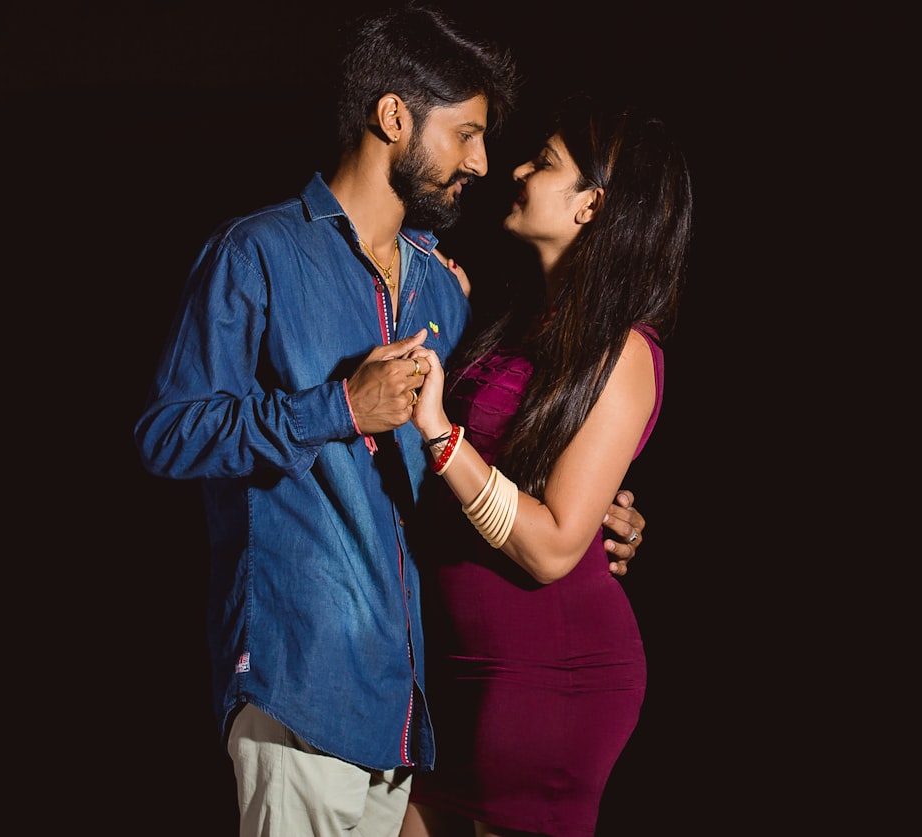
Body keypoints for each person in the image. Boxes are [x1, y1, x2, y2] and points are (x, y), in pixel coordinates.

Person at [133, 5, 646, 836]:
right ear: (394, 115)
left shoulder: (444, 290)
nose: (482, 163)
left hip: (405, 714)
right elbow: (170, 432)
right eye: (467, 134)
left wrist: (592, 518)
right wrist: (339, 406)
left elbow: (461, 465)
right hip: (300, 685)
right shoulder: (255, 254)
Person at [399, 92, 694, 837]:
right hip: (460, 673)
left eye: (545, 162)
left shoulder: (624, 353)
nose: (517, 170)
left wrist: (442, 435)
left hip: (548, 678)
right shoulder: (520, 319)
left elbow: (555, 545)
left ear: (592, 205)